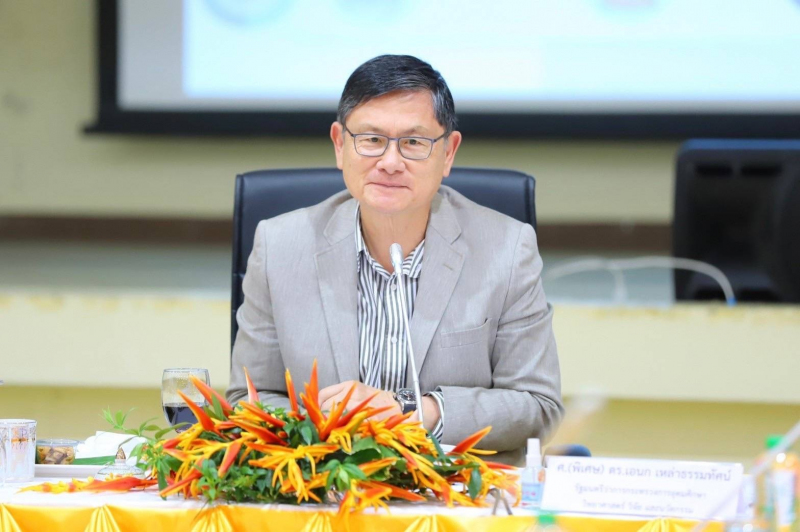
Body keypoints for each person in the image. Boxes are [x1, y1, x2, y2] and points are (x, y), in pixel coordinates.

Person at [226, 54, 563, 465]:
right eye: (371, 139)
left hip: (456, 489)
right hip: (323, 486)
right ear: (340, 144)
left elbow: (538, 407)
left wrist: (414, 412)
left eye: (414, 143)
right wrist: (330, 427)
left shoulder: (507, 249)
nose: (389, 162)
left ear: (448, 152)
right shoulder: (279, 245)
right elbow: (249, 399)